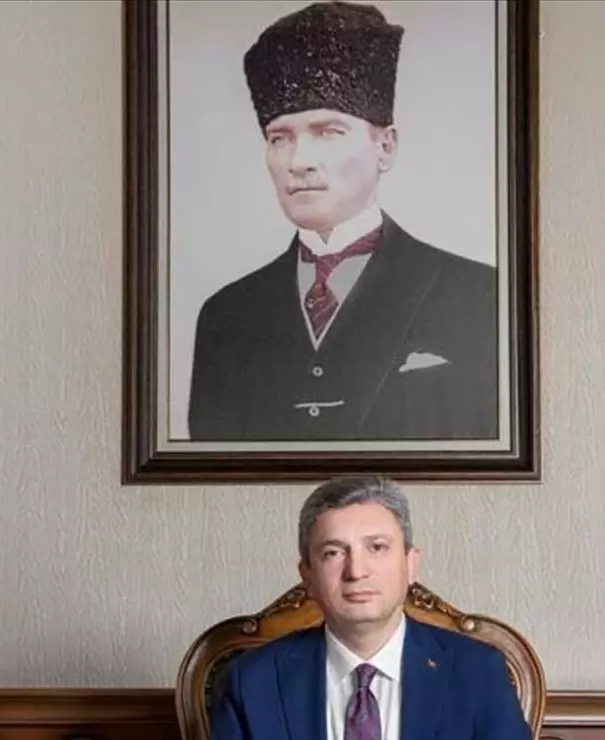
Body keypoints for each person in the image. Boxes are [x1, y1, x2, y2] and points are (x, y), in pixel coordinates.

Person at [187, 1, 499, 443]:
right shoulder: (226, 316)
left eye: (328, 132)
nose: (299, 161)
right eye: (279, 138)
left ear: (385, 147)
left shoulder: (480, 297)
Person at [191, 475, 548, 740]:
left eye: (377, 547)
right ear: (307, 575)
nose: (356, 571)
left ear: (411, 564)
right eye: (333, 552)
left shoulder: (477, 673)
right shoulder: (253, 681)